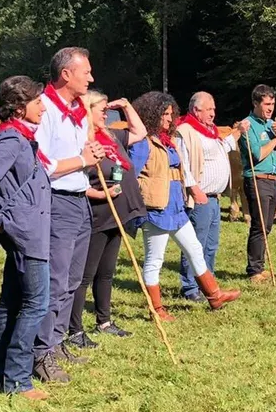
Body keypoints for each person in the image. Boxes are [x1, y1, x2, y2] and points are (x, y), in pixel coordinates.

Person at [0, 76, 52, 401]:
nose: (43, 108)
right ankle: (17, 381)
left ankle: (1, 373)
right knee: (35, 305)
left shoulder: (18, 137)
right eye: (37, 102)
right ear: (20, 108)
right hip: (26, 234)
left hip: (25, 230)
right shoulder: (13, 141)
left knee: (12, 303)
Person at [128, 91, 241, 322]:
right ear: (152, 116)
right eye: (165, 115)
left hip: (176, 208)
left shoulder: (167, 141)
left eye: (171, 114)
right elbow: (131, 173)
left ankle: (214, 295)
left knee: (195, 249)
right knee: (154, 260)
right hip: (156, 209)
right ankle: (157, 309)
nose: (170, 119)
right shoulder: (143, 143)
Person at [33, 47, 105, 384]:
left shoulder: (78, 111)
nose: (90, 78)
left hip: (79, 200)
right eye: (86, 72)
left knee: (73, 280)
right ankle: (41, 353)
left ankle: (57, 341)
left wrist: (91, 154)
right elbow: (43, 166)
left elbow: (79, 156)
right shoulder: (44, 109)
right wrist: (82, 161)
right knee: (56, 280)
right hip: (58, 202)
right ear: (66, 74)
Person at [68, 91, 147, 346]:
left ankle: (104, 320)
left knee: (107, 272)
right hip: (97, 215)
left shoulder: (112, 136)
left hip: (118, 215)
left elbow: (140, 132)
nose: (106, 113)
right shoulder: (81, 142)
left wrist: (125, 105)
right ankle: (75, 330)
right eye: (101, 110)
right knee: (85, 275)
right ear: (87, 110)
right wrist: (99, 194)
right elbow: (75, 181)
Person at [176, 92, 249, 301]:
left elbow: (222, 148)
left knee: (210, 244)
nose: (213, 113)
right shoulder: (186, 131)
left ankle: (208, 284)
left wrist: (238, 132)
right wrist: (194, 189)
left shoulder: (209, 132)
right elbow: (184, 164)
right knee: (195, 243)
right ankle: (190, 287)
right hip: (201, 197)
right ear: (196, 110)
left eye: (214, 109)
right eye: (208, 109)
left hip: (214, 198)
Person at [239, 84, 276, 283]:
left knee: (267, 226)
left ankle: (259, 266)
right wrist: (274, 142)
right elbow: (257, 155)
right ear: (256, 103)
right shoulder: (247, 126)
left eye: (273, 104)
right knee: (259, 226)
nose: (270, 108)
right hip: (257, 179)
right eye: (267, 104)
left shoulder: (271, 125)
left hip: (273, 179)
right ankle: (254, 271)